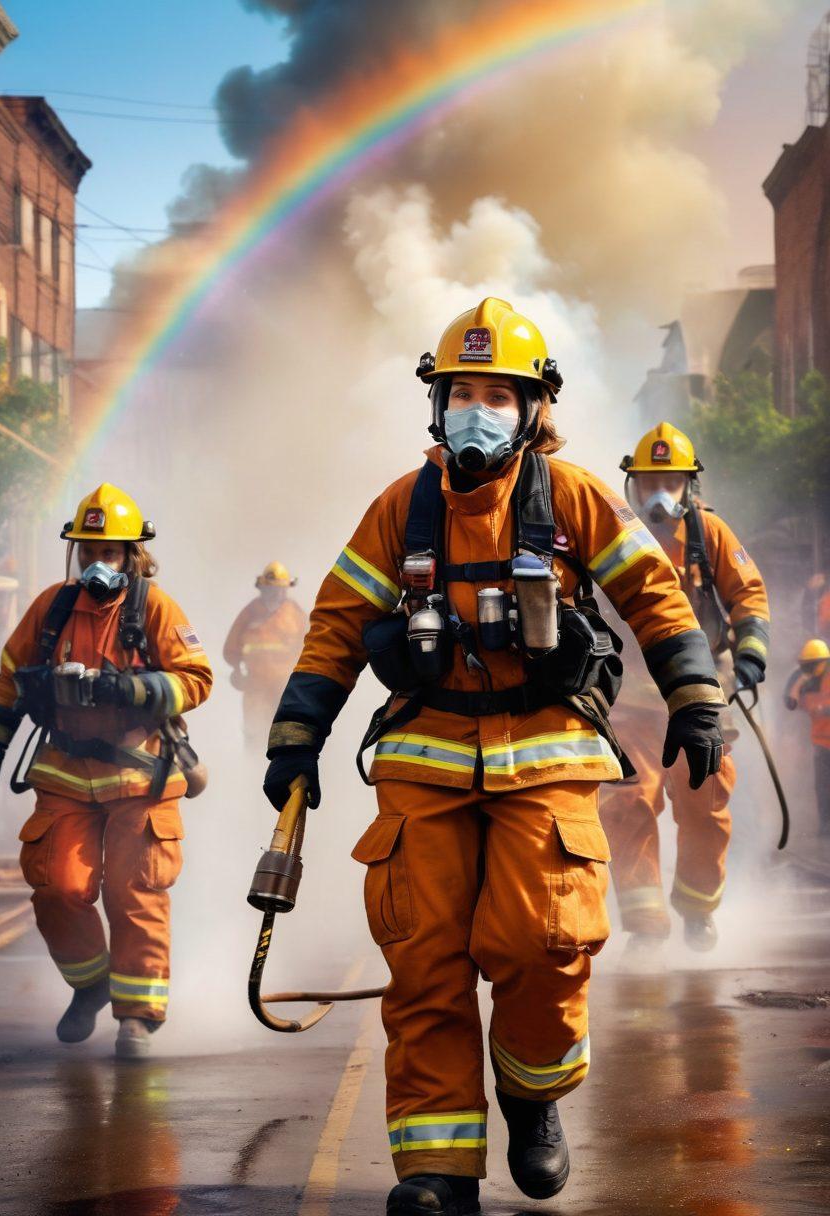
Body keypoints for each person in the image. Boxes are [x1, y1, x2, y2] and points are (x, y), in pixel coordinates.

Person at [262, 300, 725, 1215]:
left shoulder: (576, 499)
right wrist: (297, 736)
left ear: (533, 408)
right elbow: (337, 625)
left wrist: (695, 694)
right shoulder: (402, 507)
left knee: (543, 944)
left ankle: (531, 1095)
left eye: (498, 396)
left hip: (548, 758)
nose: (478, 412)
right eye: (462, 394)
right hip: (423, 759)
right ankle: (436, 1169)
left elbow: (655, 595)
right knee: (424, 962)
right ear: (438, 406)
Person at [0, 484, 212, 1058]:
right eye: (88, 552)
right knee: (57, 887)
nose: (98, 563)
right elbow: (9, 681)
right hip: (65, 774)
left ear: (132, 555)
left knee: (133, 892)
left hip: (142, 777)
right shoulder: (52, 608)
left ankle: (136, 1017)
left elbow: (197, 678)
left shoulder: (154, 609)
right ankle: (91, 984)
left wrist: (137, 689)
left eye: (110, 553)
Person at [600, 423, 770, 961]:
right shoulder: (611, 531)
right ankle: (645, 927)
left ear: (689, 486)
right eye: (649, 482)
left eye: (670, 482)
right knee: (626, 804)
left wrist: (750, 654)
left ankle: (698, 909)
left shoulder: (709, 533)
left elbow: (748, 594)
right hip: (630, 705)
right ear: (632, 484)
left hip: (700, 700)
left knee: (706, 803)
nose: (659, 494)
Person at [224, 562, 307, 749]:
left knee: (286, 737)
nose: (277, 594)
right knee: (255, 736)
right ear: (263, 588)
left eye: (281, 589)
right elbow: (230, 648)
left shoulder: (295, 614)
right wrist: (237, 670)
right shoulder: (250, 612)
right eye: (272, 589)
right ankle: (253, 764)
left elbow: (309, 647)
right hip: (256, 690)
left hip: (286, 689)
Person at [784, 639, 830, 837]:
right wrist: (800, 682)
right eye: (806, 665)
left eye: (813, 665)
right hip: (821, 742)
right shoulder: (803, 679)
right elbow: (790, 703)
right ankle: (825, 825)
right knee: (822, 787)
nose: (810, 669)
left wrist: (824, 709)